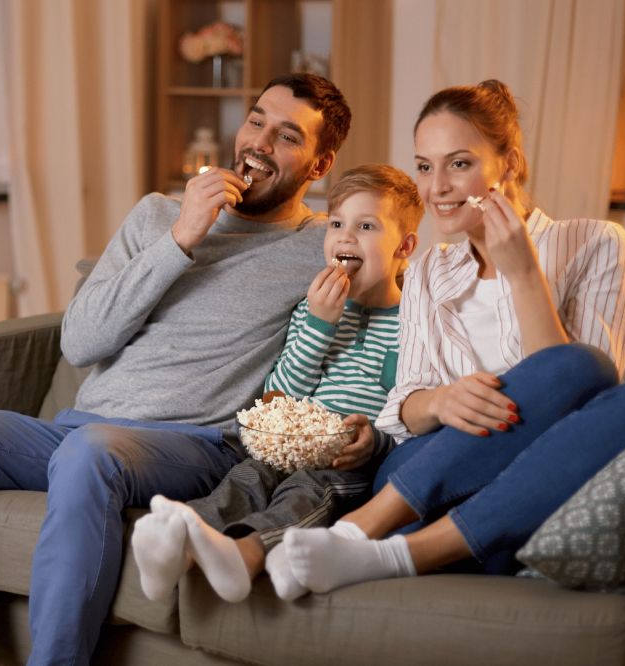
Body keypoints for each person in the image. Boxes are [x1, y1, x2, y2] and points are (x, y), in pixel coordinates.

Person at [0, 73, 352, 666]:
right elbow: (81, 342)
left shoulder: (320, 245)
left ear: (319, 165)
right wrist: (182, 238)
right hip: (79, 428)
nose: (260, 142)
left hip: (196, 444)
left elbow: (396, 288)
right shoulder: (160, 215)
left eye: (288, 136)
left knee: (90, 454)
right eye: (256, 120)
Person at [275, 79, 625, 594]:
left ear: (507, 163)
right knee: (584, 365)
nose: (436, 186)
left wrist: (525, 275)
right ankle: (367, 525)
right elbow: (403, 407)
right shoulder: (425, 271)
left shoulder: (598, 243)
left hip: (533, 475)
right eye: (424, 165)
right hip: (426, 473)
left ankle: (392, 551)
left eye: (459, 163)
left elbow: (586, 402)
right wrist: (441, 402)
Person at [131, 164, 422, 604]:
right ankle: (178, 545)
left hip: (348, 466)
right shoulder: (312, 312)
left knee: (306, 491)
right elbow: (279, 396)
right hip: (289, 445)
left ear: (404, 247)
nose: (345, 237)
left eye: (366, 226)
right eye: (337, 223)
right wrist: (320, 327)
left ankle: (244, 552)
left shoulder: (413, 327)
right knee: (245, 478)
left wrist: (374, 444)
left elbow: (409, 416)